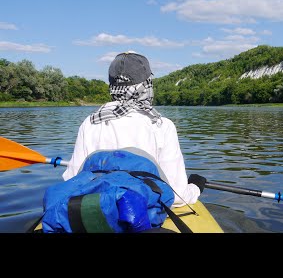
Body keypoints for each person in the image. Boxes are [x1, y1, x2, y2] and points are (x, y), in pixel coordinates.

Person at [62, 50, 206, 207]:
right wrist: (195, 187)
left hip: (99, 211)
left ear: (112, 86)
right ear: (146, 85)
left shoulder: (90, 123)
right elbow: (176, 196)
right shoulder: (161, 126)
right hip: (143, 216)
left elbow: (72, 182)